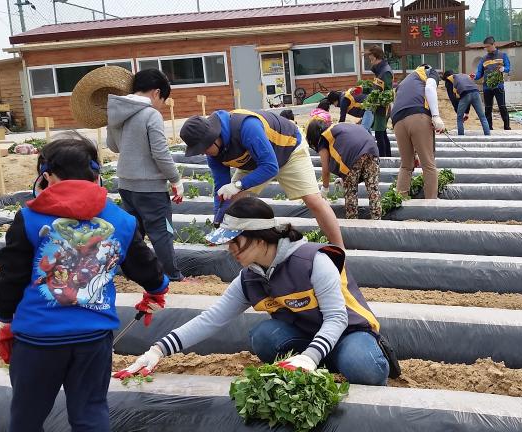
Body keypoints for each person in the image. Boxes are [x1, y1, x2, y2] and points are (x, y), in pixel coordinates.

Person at [0, 134, 170, 432]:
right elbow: (144, 264)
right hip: (92, 338)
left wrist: (5, 321)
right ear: (96, 175)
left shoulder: (29, 219)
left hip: (37, 338)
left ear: (46, 175)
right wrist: (156, 290)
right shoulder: (119, 219)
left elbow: (10, 277)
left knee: (27, 409)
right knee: (89, 407)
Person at [115, 197, 394, 386]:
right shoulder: (249, 279)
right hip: (308, 334)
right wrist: (157, 350)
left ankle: (323, 358)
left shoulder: (313, 261)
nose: (230, 250)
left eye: (235, 242)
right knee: (264, 338)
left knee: (362, 367)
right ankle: (319, 359)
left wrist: (310, 355)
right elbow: (212, 319)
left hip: (349, 331)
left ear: (260, 238)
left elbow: (336, 318)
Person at [178, 109, 344, 247]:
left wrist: (238, 184)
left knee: (313, 200)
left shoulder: (247, 127)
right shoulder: (213, 154)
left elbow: (270, 167)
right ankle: (237, 245)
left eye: (203, 148)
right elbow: (221, 191)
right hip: (256, 161)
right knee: (233, 199)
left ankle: (339, 249)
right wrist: (218, 221)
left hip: (289, 150)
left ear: (214, 137)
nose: (202, 153)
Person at [107, 69, 187, 282]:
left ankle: (127, 273)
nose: (160, 104)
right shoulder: (151, 114)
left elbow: (112, 146)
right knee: (161, 232)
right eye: (163, 99)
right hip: (150, 187)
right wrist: (175, 179)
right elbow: (160, 152)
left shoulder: (116, 112)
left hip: (126, 183)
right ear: (156, 92)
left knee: (133, 233)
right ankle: (172, 274)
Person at [306, 118, 381, 220]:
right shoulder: (338, 128)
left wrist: (325, 189)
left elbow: (325, 169)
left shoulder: (324, 139)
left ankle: (352, 222)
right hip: (372, 148)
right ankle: (377, 219)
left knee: (351, 191)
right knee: (373, 189)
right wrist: (343, 177)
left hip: (354, 154)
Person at [391, 64, 444, 199]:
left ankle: (399, 201)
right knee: (428, 164)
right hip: (418, 116)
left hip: (397, 120)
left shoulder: (405, 82)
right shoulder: (429, 71)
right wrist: (436, 116)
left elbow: (394, 103)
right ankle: (431, 207)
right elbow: (430, 88)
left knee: (406, 165)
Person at [474, 36, 512, 131]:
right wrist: (474, 76)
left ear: (493, 44)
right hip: (487, 87)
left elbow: (508, 67)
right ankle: (489, 128)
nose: (486, 49)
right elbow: (479, 73)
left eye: (488, 47)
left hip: (498, 86)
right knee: (488, 108)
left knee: (502, 107)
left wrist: (504, 69)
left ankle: (507, 127)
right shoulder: (483, 59)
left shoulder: (503, 55)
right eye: (485, 47)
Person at [443, 70, 490, 136]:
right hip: (476, 92)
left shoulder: (449, 80)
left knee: (459, 118)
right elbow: (469, 94)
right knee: (482, 117)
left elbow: (453, 99)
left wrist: (459, 112)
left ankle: (461, 137)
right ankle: (488, 136)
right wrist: (466, 112)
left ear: (446, 77)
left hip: (465, 94)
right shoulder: (463, 75)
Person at [365, 45, 393, 157]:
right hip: (378, 106)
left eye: (371, 59)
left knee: (379, 134)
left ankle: (384, 159)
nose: (371, 62)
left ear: (377, 58)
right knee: (382, 133)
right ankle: (387, 157)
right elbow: (376, 88)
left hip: (383, 107)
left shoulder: (385, 72)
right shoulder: (380, 71)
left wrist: (376, 100)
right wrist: (363, 89)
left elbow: (388, 93)